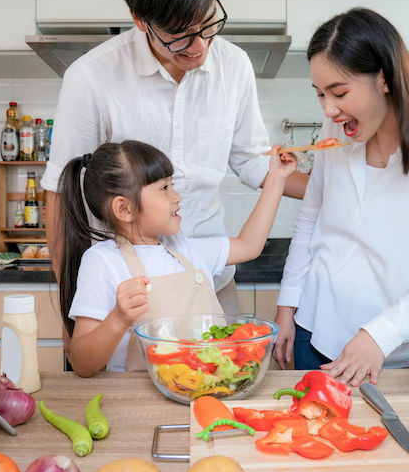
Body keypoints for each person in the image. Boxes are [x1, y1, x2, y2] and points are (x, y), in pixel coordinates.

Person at [40, 0, 308, 356]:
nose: (199, 46)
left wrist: (337, 188)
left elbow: (255, 164)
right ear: (140, 19)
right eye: (180, 35)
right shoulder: (91, 77)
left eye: (208, 24)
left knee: (216, 391)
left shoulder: (234, 66)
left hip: (209, 281)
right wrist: (71, 315)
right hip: (122, 293)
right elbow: (61, 193)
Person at [272, 8, 409, 387]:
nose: (328, 109)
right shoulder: (335, 130)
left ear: (384, 79)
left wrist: (378, 335)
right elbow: (311, 218)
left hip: (384, 347)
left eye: (339, 92)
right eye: (320, 94)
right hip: (313, 323)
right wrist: (287, 305)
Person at [57, 140, 296, 377]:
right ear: (124, 209)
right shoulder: (102, 261)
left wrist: (276, 179)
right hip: (135, 402)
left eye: (172, 185)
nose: (176, 197)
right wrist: (117, 320)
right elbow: (82, 363)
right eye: (164, 188)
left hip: (203, 393)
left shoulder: (184, 249)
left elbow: (249, 246)